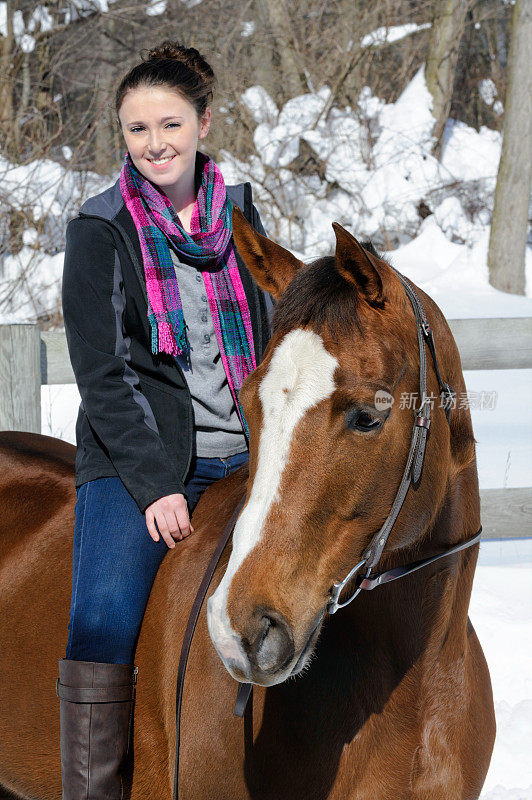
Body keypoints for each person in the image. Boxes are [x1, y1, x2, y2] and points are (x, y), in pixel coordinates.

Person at [56, 40, 272, 798]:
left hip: (250, 455)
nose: (155, 144)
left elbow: (277, 335)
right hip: (139, 462)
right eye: (137, 129)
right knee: (103, 625)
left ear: (203, 122)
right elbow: (102, 373)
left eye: (170, 124)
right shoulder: (99, 227)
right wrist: (155, 486)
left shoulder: (241, 214)